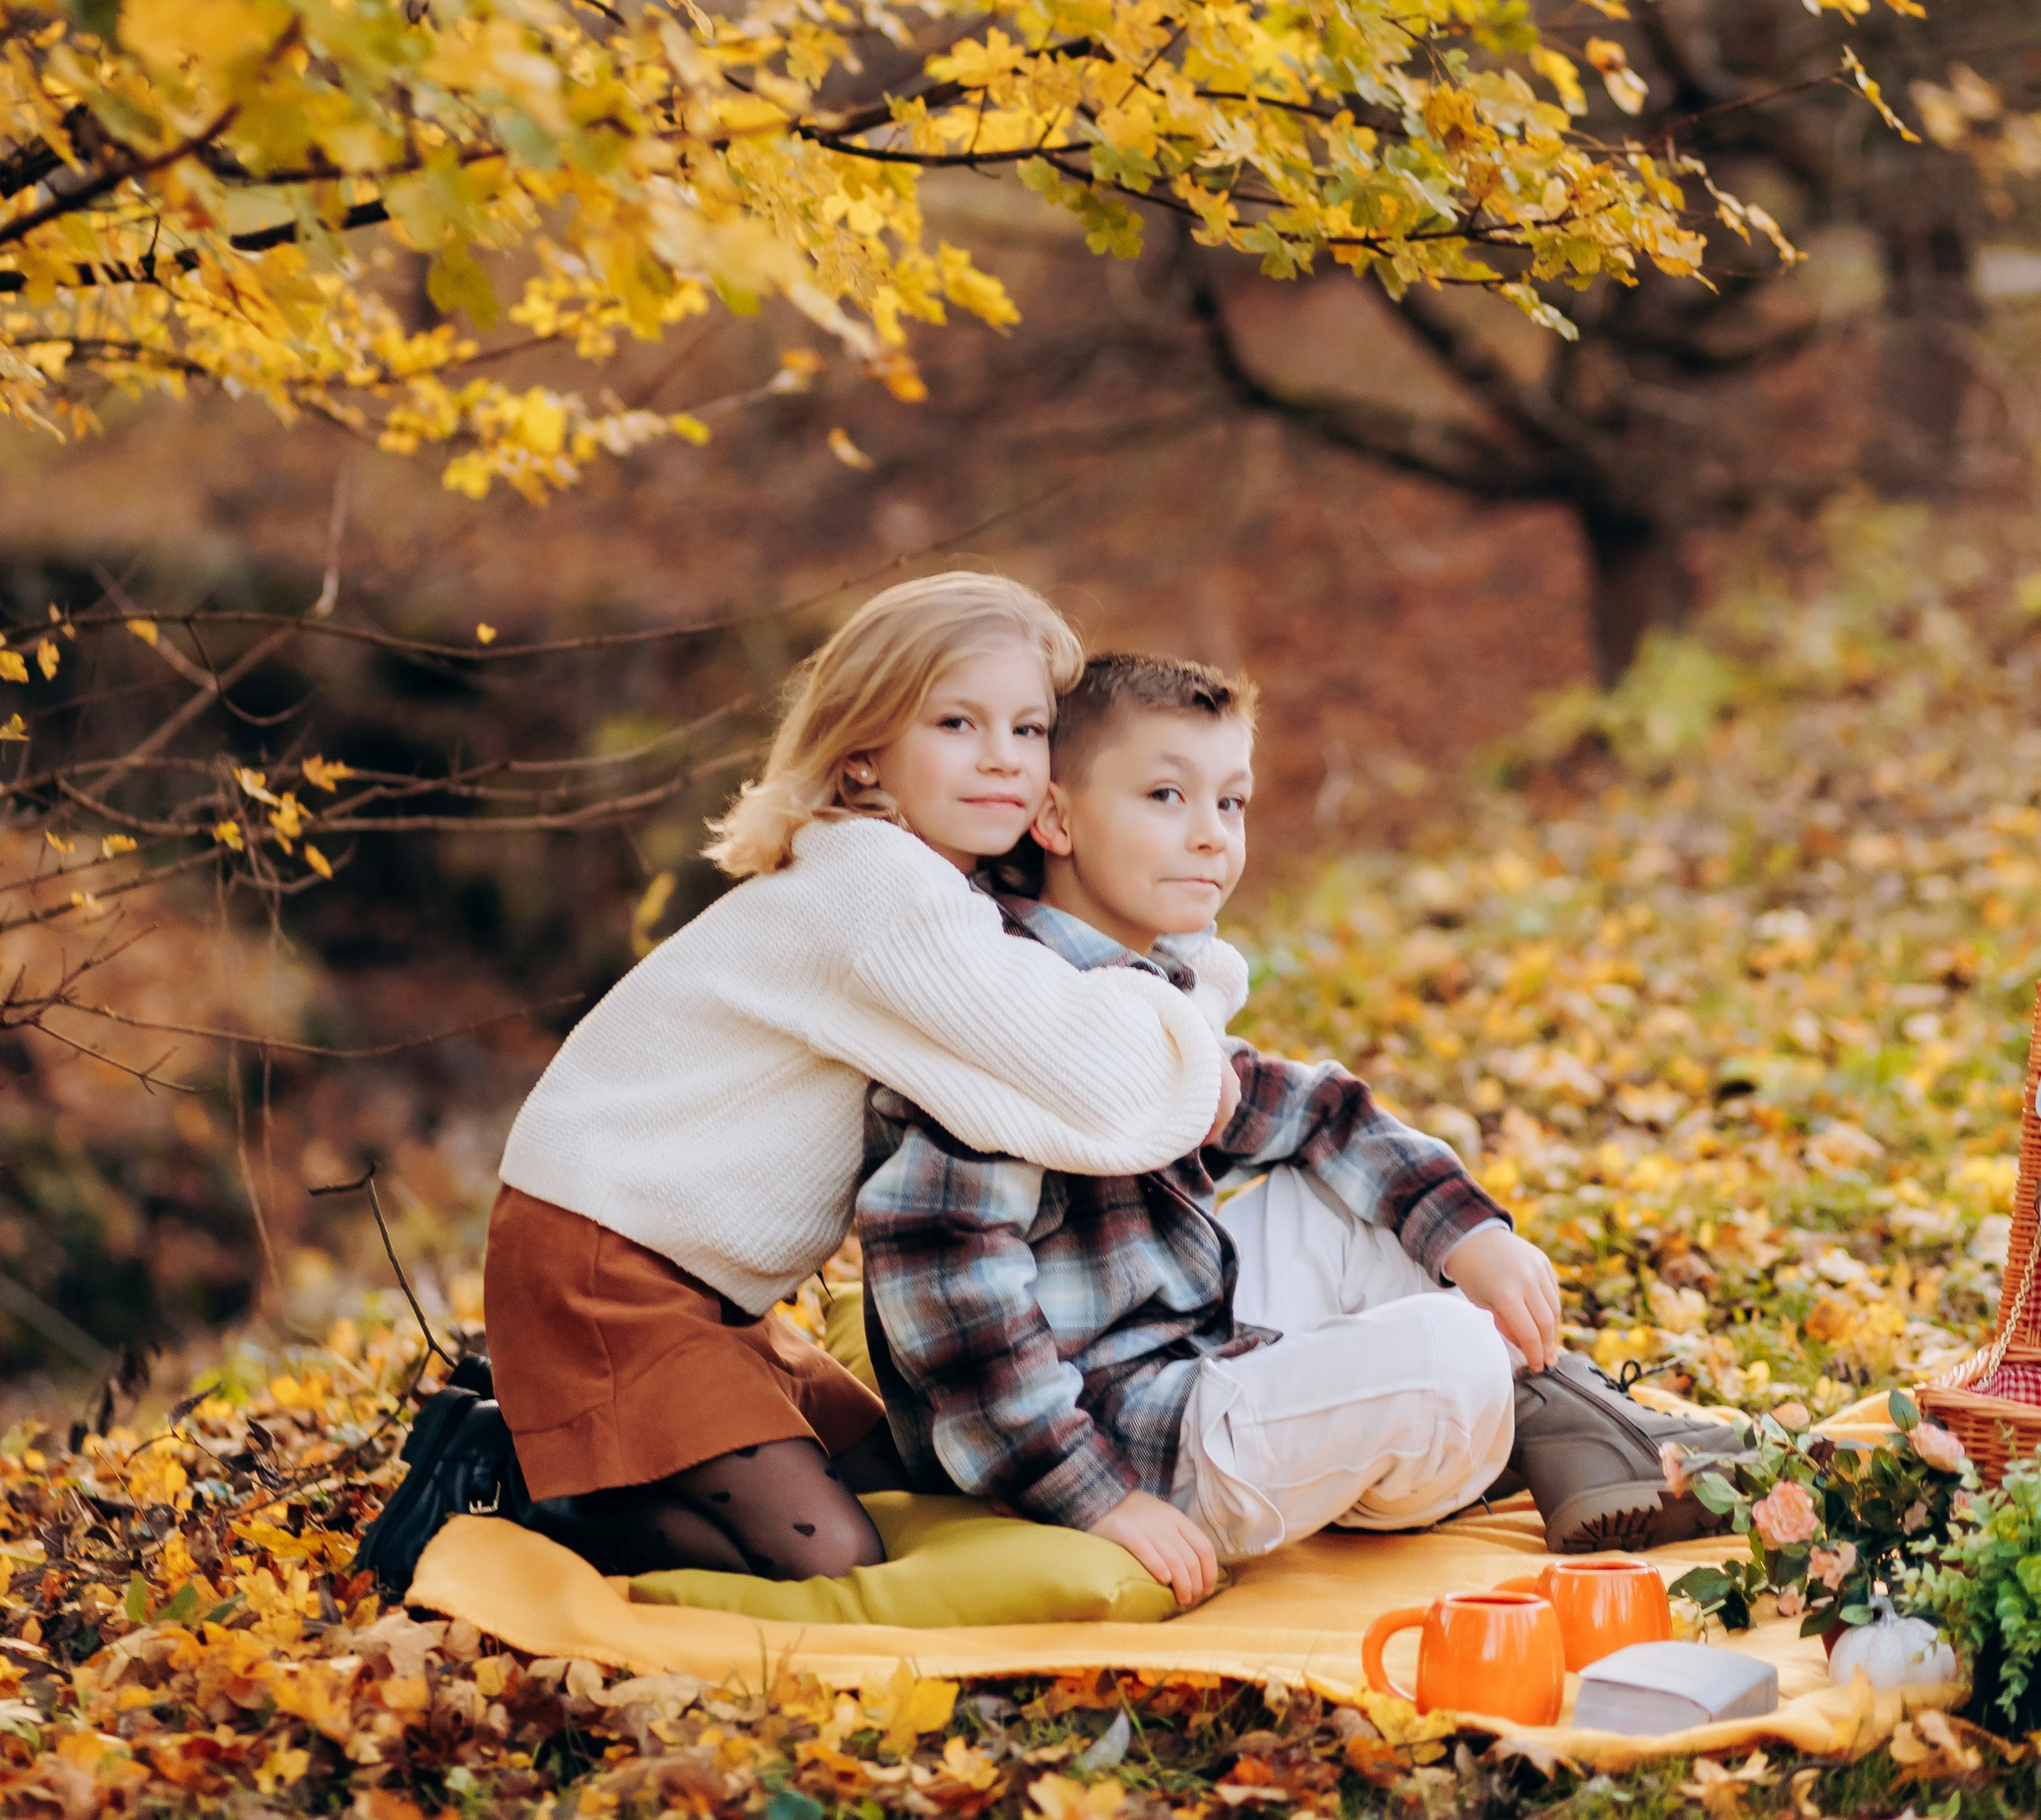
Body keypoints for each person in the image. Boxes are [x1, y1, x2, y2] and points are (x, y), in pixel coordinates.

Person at [356, 580, 1235, 1595]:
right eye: (957, 723)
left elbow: (1045, 1076)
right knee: (826, 1554)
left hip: (710, 1286)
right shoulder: (880, 891)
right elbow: (1095, 1074)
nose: (1003, 756)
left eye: (1030, 728)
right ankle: (514, 1474)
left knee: (916, 1478)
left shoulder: (930, 886)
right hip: (607, 1260)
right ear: (863, 750)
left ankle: (593, 1449)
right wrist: (1195, 992)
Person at [857, 653, 1744, 1606]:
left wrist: (1472, 1233)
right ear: (1060, 817)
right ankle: (1536, 1417)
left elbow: (1315, 1111)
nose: (1210, 837)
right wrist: (1097, 1499)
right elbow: (949, 1286)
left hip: (1171, 1350)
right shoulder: (1004, 1007)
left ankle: (1564, 1416)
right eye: (1166, 795)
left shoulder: (1138, 988)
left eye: (1230, 803)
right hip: (1107, 1444)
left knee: (1384, 1223)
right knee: (1451, 1353)